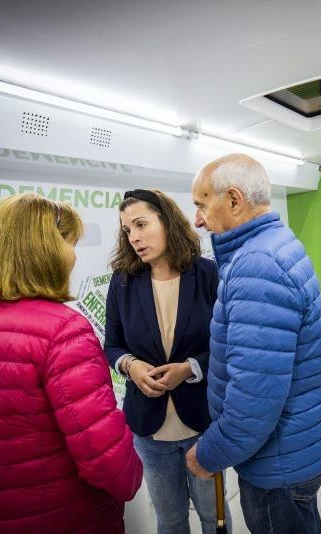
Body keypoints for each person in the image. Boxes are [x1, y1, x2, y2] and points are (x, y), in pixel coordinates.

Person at [0, 193, 142, 533]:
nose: (72, 255)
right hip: (59, 517)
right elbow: (106, 461)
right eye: (70, 243)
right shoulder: (62, 331)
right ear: (47, 250)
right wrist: (132, 477)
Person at [185, 154, 321, 534]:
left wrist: (211, 453)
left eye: (202, 205)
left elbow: (256, 395)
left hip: (276, 463)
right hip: (294, 449)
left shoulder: (258, 265)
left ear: (234, 200)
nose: (198, 220)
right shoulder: (273, 244)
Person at [104, 189, 228, 534]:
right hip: (148, 424)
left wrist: (190, 368)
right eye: (128, 230)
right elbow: (111, 346)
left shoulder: (207, 275)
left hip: (203, 419)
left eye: (141, 225)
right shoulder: (123, 282)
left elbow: (227, 344)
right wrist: (131, 365)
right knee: (170, 519)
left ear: (167, 221)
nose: (135, 237)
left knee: (212, 513)